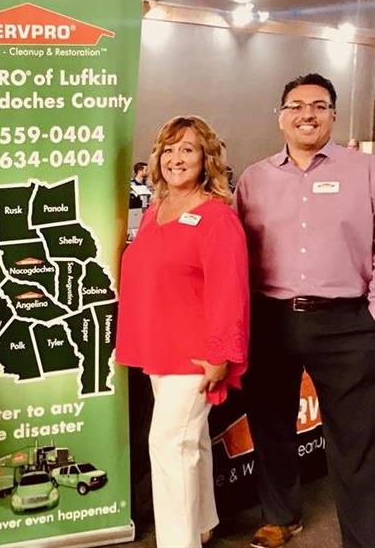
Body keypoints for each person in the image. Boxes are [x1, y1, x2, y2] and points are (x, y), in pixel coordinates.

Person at [236, 73, 375, 548]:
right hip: (270, 318)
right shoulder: (254, 178)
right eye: (296, 105)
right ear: (281, 117)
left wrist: (372, 312)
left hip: (346, 322)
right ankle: (281, 516)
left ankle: (362, 534)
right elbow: (237, 253)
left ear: (333, 115)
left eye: (318, 105)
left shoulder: (365, 170)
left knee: (356, 438)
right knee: (270, 424)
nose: (307, 114)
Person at [116, 115, 249, 548]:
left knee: (169, 446)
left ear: (206, 158)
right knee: (191, 444)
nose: (176, 158)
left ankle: (178, 541)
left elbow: (230, 290)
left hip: (196, 355)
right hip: (159, 348)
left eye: (187, 149)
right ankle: (203, 525)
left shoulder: (216, 218)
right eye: (169, 149)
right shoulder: (156, 211)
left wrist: (221, 353)